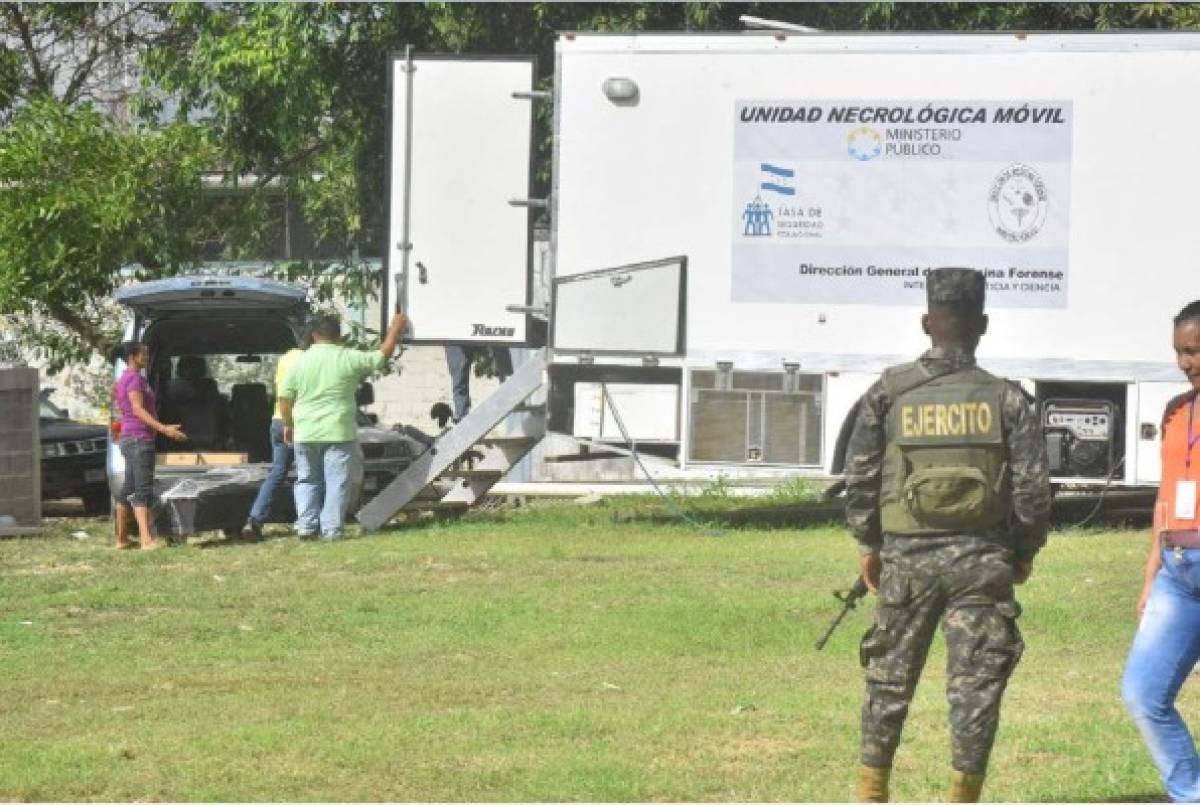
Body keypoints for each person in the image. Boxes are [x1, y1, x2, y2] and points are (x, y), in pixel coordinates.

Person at [844, 267, 1051, 803]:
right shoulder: (1007, 400)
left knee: (888, 682)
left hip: (906, 561)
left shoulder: (886, 393)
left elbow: (860, 478)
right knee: (976, 689)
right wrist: (1022, 554)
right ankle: (962, 797)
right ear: (982, 324)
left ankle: (872, 793)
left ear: (925, 322)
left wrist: (870, 547)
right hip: (983, 562)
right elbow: (1033, 494)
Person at [1121, 299, 1200, 802]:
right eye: (1179, 351)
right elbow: (1166, 491)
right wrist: (1152, 574)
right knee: (1143, 693)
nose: (1185, 362)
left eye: (1194, 350)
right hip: (1178, 572)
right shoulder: (1175, 412)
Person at [279, 312, 406, 539]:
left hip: (306, 431)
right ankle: (331, 530)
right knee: (337, 481)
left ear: (314, 334)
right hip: (338, 431)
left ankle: (306, 527)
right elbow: (381, 356)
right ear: (339, 336)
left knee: (307, 479)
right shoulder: (348, 357)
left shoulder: (300, 361)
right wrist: (395, 327)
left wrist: (288, 425)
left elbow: (284, 396)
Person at [112, 341, 187, 550]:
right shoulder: (135, 379)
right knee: (141, 491)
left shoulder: (124, 379)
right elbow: (137, 409)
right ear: (133, 356)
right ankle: (146, 540)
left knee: (127, 489)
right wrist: (164, 429)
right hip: (139, 439)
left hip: (129, 438)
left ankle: (122, 539)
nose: (147, 357)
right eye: (144, 354)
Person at [242, 328, 312, 540]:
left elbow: (282, 392)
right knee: (309, 475)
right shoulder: (310, 361)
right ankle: (308, 522)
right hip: (299, 422)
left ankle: (254, 519)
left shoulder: (285, 358)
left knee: (277, 472)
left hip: (278, 420)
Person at [444, 344, 513, 422]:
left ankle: (510, 389)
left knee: (501, 343)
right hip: (455, 339)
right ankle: (462, 418)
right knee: (459, 380)